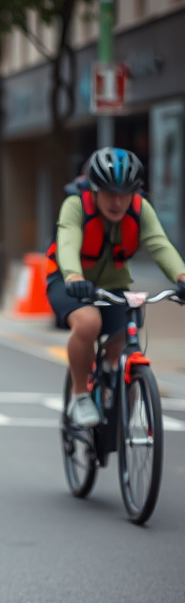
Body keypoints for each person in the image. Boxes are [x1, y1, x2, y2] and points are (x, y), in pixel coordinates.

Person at [45, 147, 185, 427]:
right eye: (109, 193)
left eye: (125, 193)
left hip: (114, 286)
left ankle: (114, 384)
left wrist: (181, 276)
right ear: (94, 189)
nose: (118, 201)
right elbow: (68, 241)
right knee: (88, 322)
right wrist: (73, 276)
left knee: (125, 335)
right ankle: (81, 397)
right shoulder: (75, 205)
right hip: (68, 281)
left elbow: (159, 243)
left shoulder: (140, 208)